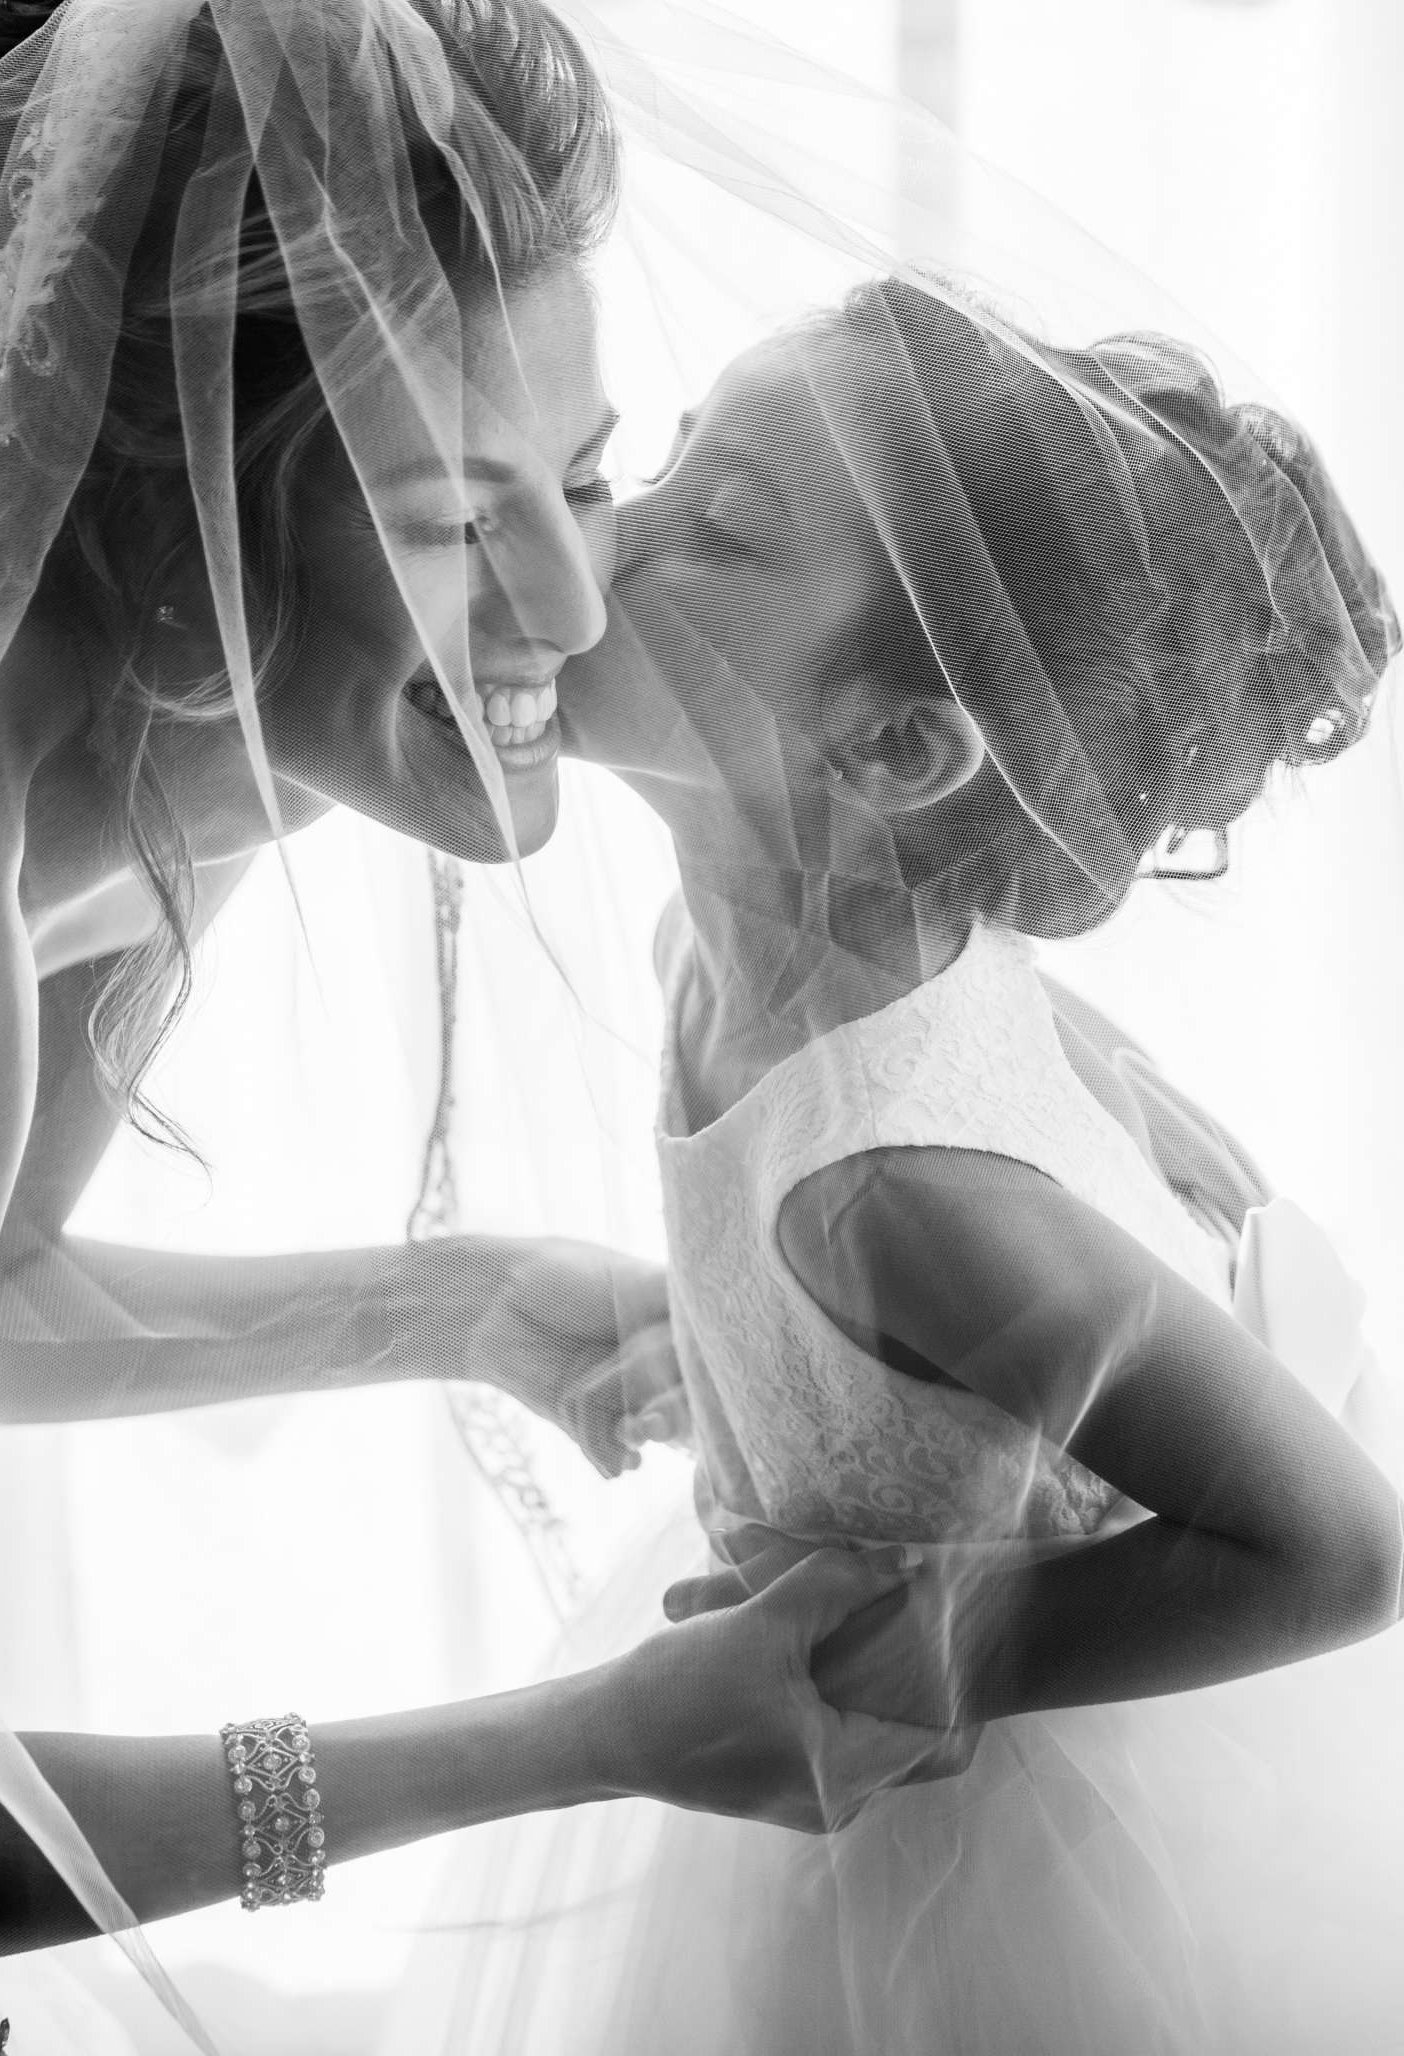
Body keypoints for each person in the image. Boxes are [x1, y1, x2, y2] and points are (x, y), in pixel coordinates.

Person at [0, 0, 929, 2045]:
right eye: (446, 516)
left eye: (580, 479)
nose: (572, 598)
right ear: (175, 512)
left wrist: (463, 1303)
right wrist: (596, 1735)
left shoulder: (184, 699)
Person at [383, 277, 1404, 2054]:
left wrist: (930, 1643)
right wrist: (779, 1392)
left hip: (1000, 1860)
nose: (608, 532)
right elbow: (1136, 1209)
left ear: (899, 745)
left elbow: (1339, 1547)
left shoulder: (892, 1193)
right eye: (674, 454)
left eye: (723, 526)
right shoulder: (723, 954)